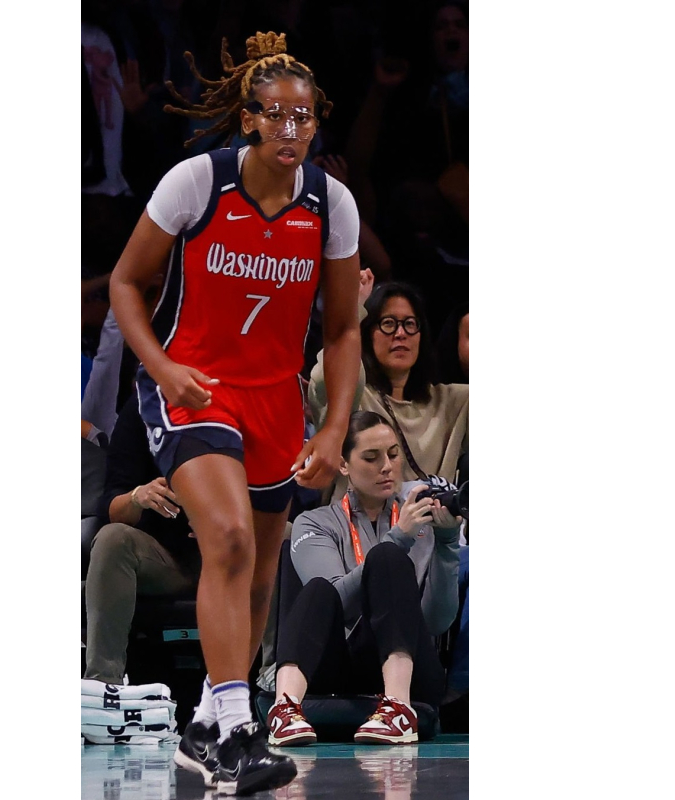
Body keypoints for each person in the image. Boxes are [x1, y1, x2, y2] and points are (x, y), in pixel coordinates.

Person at [109, 31, 361, 796]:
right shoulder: (197, 182)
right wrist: (162, 369)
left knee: (257, 574)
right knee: (226, 539)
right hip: (195, 385)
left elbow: (342, 328)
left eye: (304, 116)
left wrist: (333, 427)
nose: (291, 128)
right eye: (275, 114)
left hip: (275, 396)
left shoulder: (331, 204)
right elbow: (125, 283)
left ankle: (201, 729)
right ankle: (238, 730)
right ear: (249, 119)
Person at [266, 411, 461, 746]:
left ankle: (398, 708)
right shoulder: (315, 523)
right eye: (371, 458)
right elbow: (334, 604)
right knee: (320, 587)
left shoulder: (421, 519)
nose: (386, 467)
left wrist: (447, 543)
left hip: (410, 669)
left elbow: (435, 621)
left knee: (388, 557)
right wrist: (398, 538)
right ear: (343, 465)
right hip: (337, 666)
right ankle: (284, 708)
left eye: (393, 455)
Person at [83, 392, 201, 686]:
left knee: (285, 536)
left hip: (236, 555)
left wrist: (228, 522)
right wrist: (137, 497)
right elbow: (111, 505)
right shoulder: (142, 407)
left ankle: (278, 688)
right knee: (112, 538)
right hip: (168, 557)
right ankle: (102, 685)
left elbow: (281, 499)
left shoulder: (244, 403)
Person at [310, 280, 468, 495]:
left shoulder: (454, 402)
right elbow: (325, 378)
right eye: (388, 323)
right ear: (367, 333)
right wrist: (353, 309)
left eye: (410, 324)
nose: (401, 333)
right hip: (355, 517)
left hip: (432, 518)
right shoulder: (354, 396)